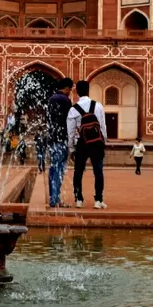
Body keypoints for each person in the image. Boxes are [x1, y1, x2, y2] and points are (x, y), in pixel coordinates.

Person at [67, 80, 107, 209]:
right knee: (98, 171)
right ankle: (98, 200)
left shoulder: (73, 109)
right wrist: (103, 141)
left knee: (78, 171)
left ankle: (78, 199)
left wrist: (71, 147)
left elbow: (70, 131)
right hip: (96, 143)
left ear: (76, 92)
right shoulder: (98, 105)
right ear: (89, 90)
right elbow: (102, 126)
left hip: (82, 142)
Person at [45, 78, 74, 208]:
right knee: (59, 170)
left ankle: (53, 197)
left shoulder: (51, 99)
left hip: (52, 139)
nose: (70, 92)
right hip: (61, 139)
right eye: (70, 90)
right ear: (67, 88)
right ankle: (55, 200)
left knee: (53, 169)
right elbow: (69, 120)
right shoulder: (65, 100)